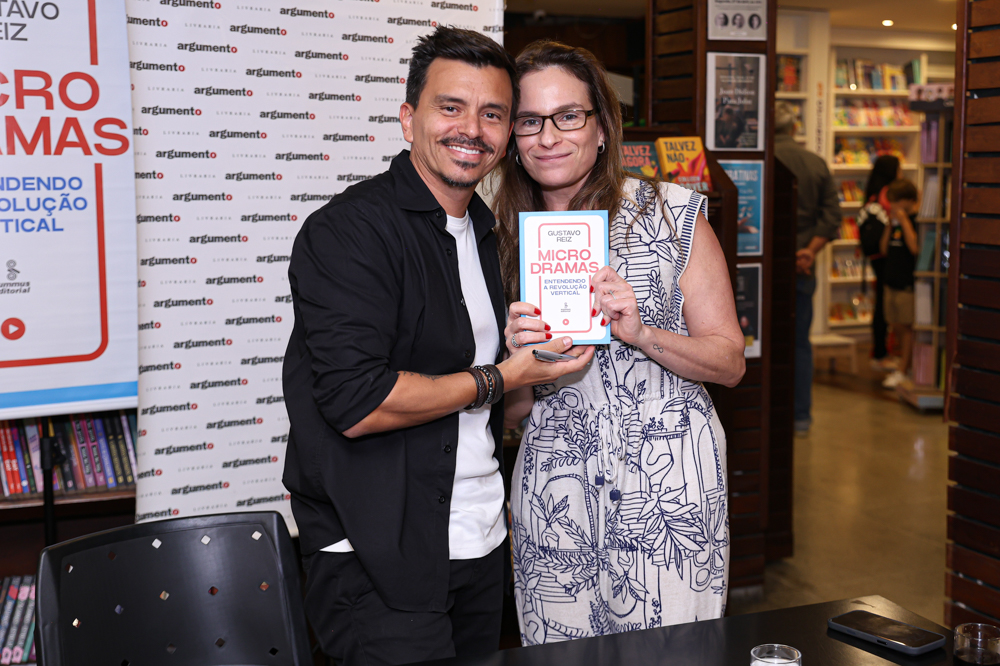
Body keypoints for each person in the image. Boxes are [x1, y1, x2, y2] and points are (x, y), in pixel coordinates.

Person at [282, 27, 594, 666]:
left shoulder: (488, 232)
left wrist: (545, 362)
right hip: (375, 553)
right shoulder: (349, 231)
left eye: (493, 114)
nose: (471, 129)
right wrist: (502, 376)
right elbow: (357, 403)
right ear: (409, 118)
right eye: (451, 107)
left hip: (479, 540)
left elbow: (498, 409)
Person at [493, 40, 745, 645]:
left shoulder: (671, 214)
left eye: (568, 116)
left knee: (670, 654)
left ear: (602, 126)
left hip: (669, 485)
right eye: (529, 120)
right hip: (555, 487)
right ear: (511, 137)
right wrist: (519, 366)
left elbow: (730, 361)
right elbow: (511, 413)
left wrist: (641, 333)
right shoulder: (496, 237)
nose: (548, 137)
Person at [773, 101, 841, 436]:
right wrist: (809, 252)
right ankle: (800, 417)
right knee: (799, 341)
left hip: (767, 267)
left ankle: (765, 412)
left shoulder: (763, 160)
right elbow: (832, 216)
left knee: (758, 338)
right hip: (802, 267)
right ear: (794, 128)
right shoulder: (816, 163)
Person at [858, 155, 903, 366]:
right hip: (886, 254)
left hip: (874, 255)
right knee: (885, 304)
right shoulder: (888, 194)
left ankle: (880, 351)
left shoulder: (872, 195)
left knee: (882, 302)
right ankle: (881, 352)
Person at [879, 179, 920, 389]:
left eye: (896, 201)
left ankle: (904, 370)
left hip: (907, 283)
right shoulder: (894, 221)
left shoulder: (916, 220)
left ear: (909, 200)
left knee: (907, 327)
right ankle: (904, 363)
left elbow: (915, 248)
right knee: (895, 324)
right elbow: (883, 249)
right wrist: (890, 225)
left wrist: (904, 221)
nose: (893, 206)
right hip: (891, 281)